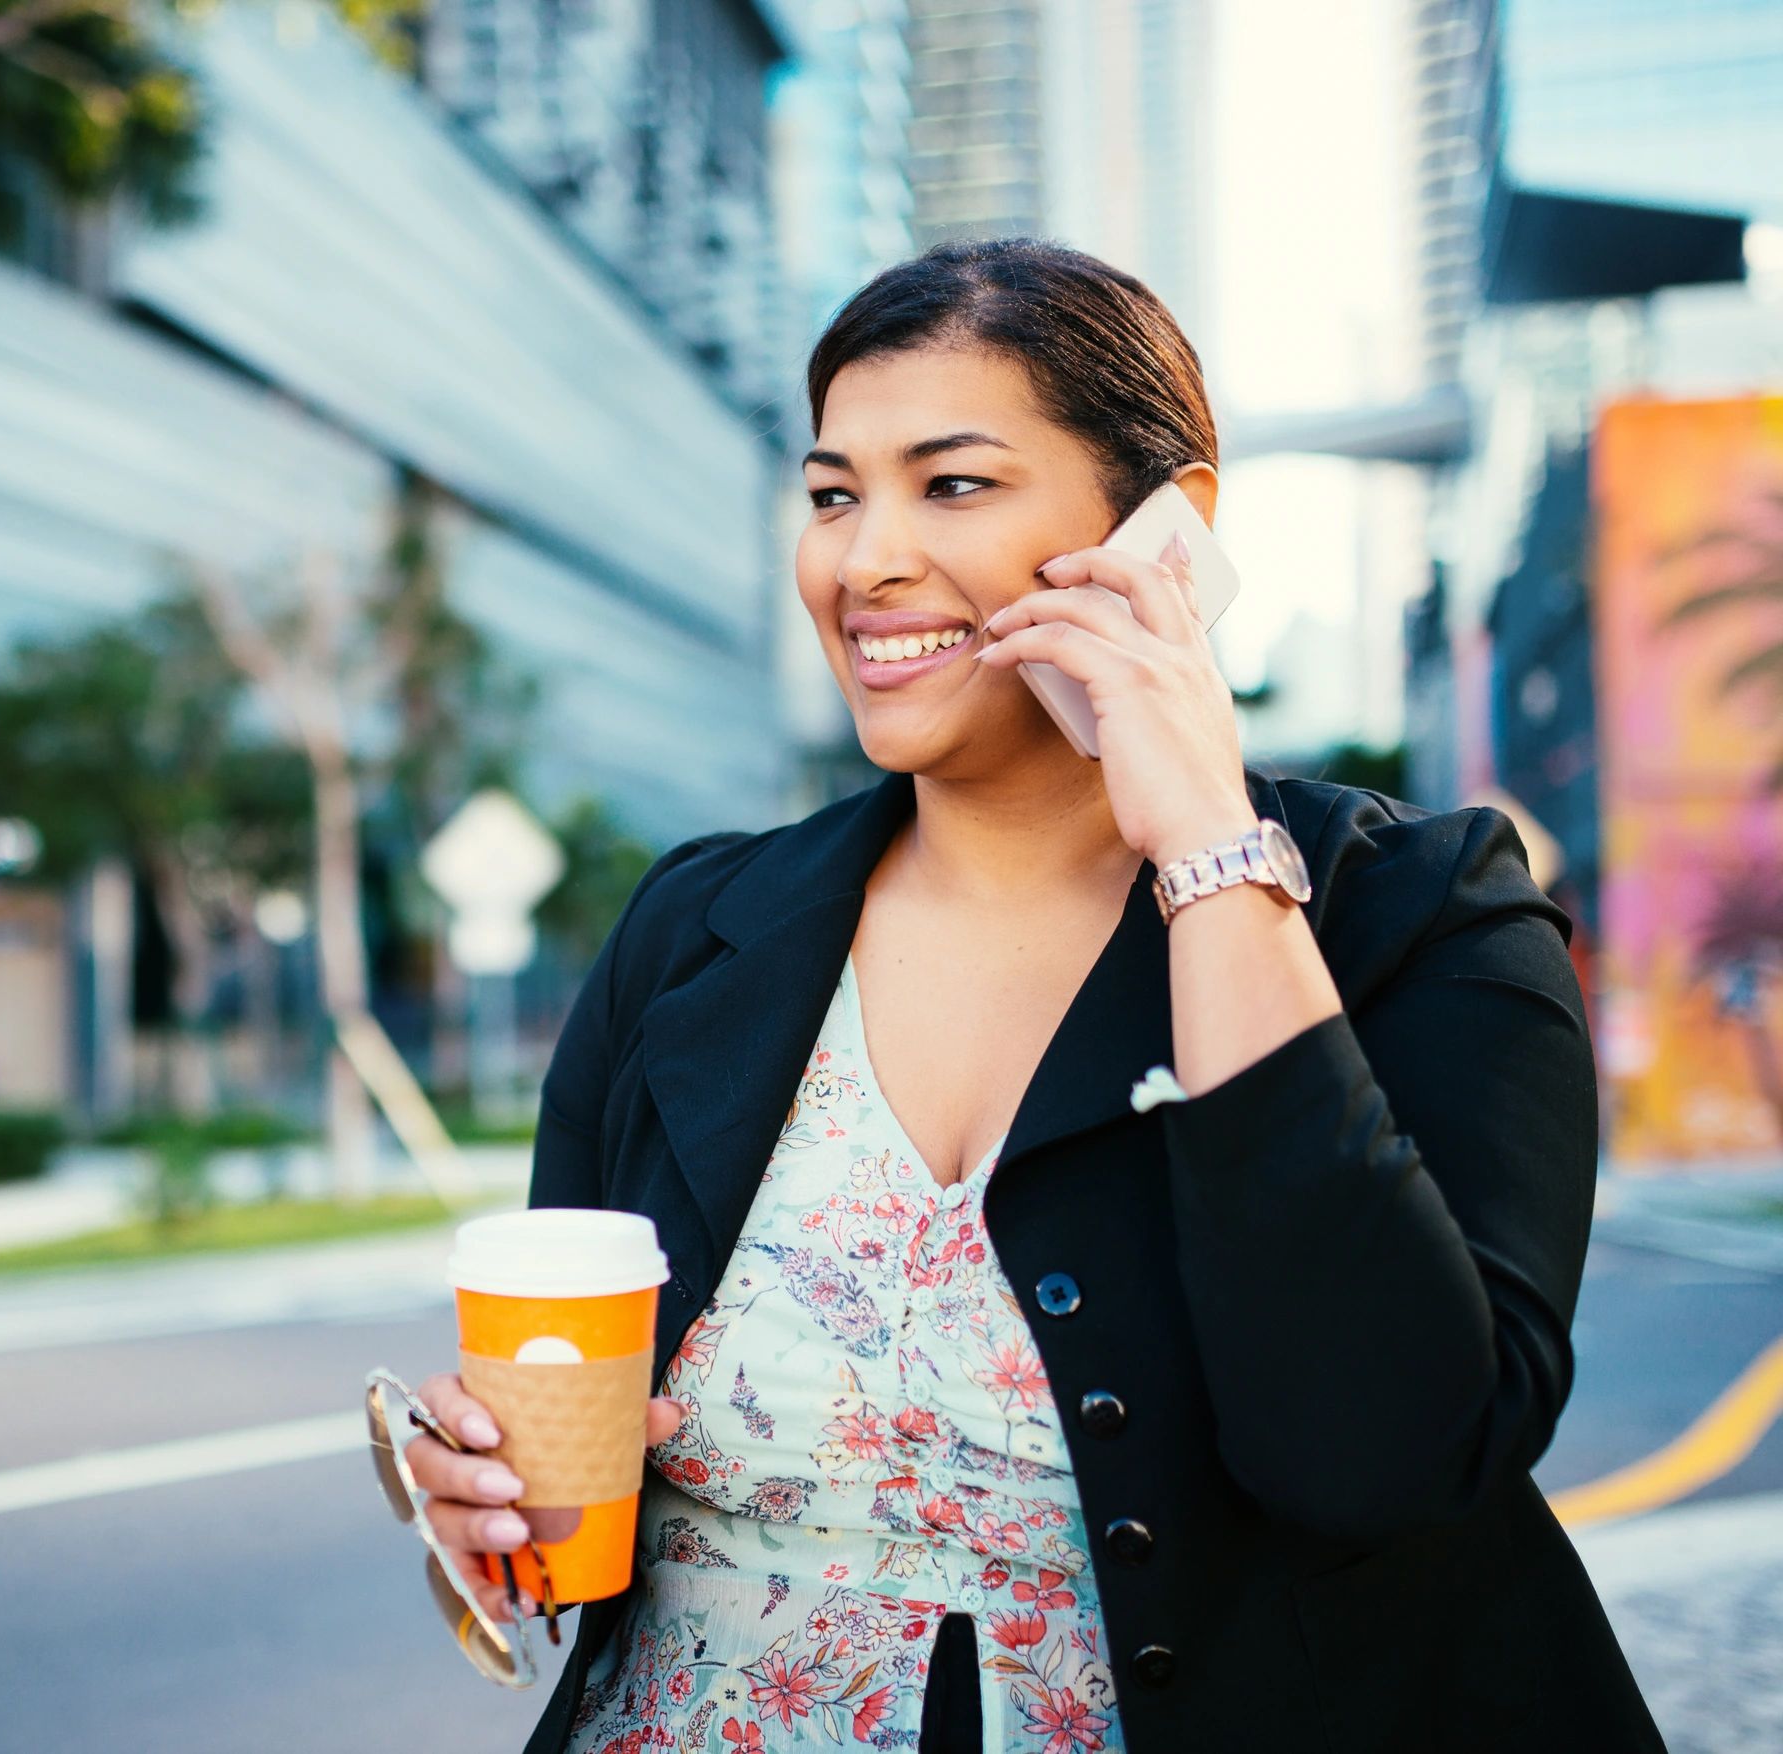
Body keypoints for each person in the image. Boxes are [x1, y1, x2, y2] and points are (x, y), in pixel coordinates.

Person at [398, 238, 1665, 1753]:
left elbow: (1381, 1457)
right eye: (831, 492)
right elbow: (565, 1462)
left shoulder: (1423, 913)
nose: (864, 560)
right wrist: (484, 1502)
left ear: (1167, 531)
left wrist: (1208, 849)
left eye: (955, 484)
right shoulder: (696, 928)